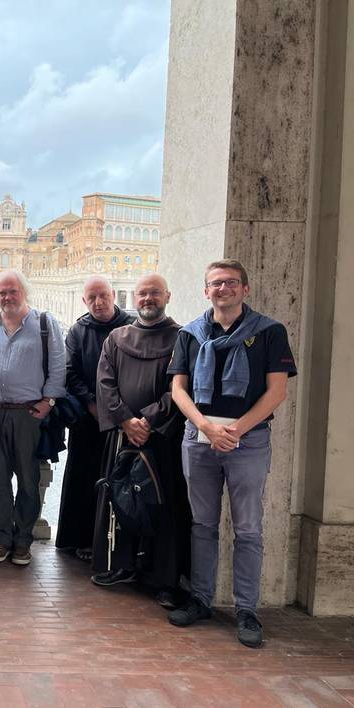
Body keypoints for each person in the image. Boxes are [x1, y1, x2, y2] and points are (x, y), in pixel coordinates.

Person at [167, 259, 296, 649]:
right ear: (206, 291)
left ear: (245, 289)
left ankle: (246, 610)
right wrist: (207, 428)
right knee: (202, 524)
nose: (223, 289)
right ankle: (202, 599)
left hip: (248, 440)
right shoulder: (189, 334)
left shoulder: (270, 332)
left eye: (231, 283)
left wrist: (235, 430)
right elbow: (178, 390)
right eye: (216, 283)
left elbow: (277, 392)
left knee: (249, 529)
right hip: (200, 438)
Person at [90, 274, 191, 607]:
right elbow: (105, 383)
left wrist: (147, 420)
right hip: (123, 436)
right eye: (143, 294)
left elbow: (179, 388)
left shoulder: (182, 339)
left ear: (168, 296)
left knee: (163, 505)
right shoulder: (117, 338)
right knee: (119, 501)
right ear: (133, 298)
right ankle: (120, 564)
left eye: (155, 293)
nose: (148, 299)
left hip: (161, 438)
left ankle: (163, 578)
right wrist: (124, 420)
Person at [0, 270, 67, 566]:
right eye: (2, 293)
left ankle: (23, 541)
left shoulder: (45, 323)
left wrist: (49, 401)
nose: (8, 297)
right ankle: (2, 539)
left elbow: (59, 366)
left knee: (28, 479)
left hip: (29, 414)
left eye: (13, 291)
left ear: (25, 292)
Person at [55, 276, 133, 561]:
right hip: (88, 418)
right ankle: (81, 538)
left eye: (103, 296)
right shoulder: (78, 330)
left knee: (118, 478)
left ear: (113, 295)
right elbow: (69, 371)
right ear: (84, 302)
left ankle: (116, 541)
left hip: (122, 417)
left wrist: (117, 409)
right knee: (83, 477)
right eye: (92, 298)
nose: (98, 303)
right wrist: (90, 402)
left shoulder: (132, 326)